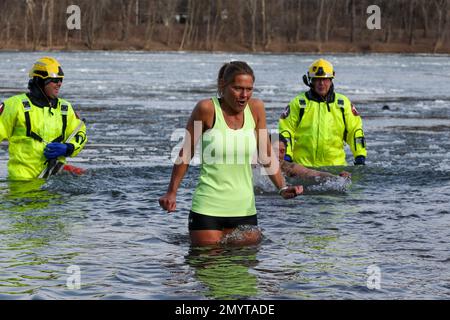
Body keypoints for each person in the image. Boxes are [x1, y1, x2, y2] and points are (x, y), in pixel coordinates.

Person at [159, 61, 302, 247]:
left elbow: (266, 154)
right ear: (222, 86)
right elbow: (185, 153)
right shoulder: (206, 109)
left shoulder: (256, 109)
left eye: (249, 89)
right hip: (208, 209)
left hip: (245, 210)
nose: (244, 95)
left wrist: (282, 188)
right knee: (209, 270)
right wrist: (172, 193)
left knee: (243, 271)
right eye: (237, 88)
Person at [0, 57, 87, 180]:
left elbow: (80, 132)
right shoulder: (15, 105)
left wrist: (69, 148)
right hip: (22, 184)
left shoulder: (65, 108)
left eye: (61, 80)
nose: (59, 84)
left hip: (55, 181)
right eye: (55, 80)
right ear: (40, 81)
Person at [278, 58, 367, 167]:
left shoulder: (343, 104)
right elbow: (286, 131)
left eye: (325, 79)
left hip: (336, 167)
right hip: (303, 167)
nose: (321, 83)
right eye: (317, 79)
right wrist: (287, 156)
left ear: (331, 79)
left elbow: (355, 131)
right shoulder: (298, 103)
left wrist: (360, 156)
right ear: (310, 81)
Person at [273, 134, 351, 184]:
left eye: (282, 151)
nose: (278, 155)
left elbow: (313, 174)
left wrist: (337, 178)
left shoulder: (289, 168)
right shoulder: (261, 165)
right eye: (274, 150)